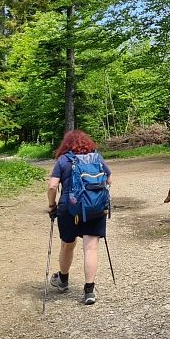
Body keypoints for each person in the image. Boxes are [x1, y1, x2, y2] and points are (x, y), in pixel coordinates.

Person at [46, 130, 112, 305]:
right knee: (90, 249)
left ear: (66, 145)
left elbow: (53, 186)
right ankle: (89, 291)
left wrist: (52, 206)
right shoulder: (96, 158)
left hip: (69, 208)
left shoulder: (63, 160)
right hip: (95, 208)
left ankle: (63, 281)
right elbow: (109, 179)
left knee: (67, 245)